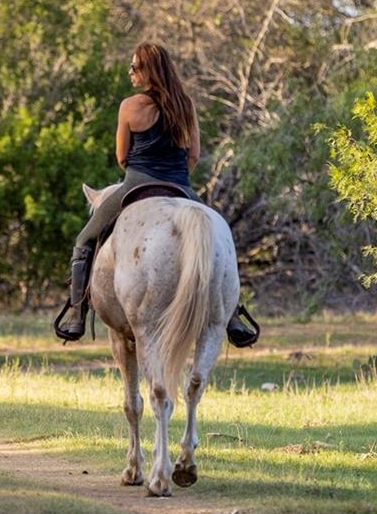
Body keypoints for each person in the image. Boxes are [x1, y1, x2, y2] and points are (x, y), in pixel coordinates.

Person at [54, 41, 251, 343]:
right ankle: (232, 315)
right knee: (219, 237)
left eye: (134, 67)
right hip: (180, 186)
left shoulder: (130, 106)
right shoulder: (185, 104)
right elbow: (194, 155)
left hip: (136, 182)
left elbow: (122, 157)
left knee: (84, 240)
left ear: (149, 71)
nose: (130, 72)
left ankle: (77, 313)